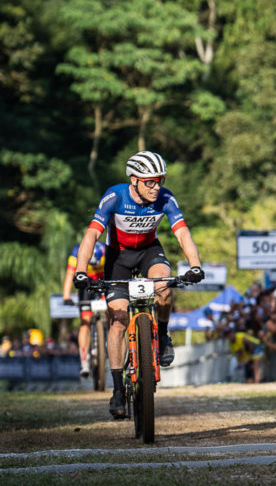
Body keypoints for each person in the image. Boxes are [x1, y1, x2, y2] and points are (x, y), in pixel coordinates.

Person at [72, 151, 204, 418]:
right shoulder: (115, 196)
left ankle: (163, 336)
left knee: (164, 288)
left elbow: (182, 233)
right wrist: (81, 271)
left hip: (148, 252)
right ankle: (118, 389)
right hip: (117, 257)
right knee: (118, 319)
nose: (157, 187)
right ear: (134, 180)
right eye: (150, 182)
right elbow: (91, 236)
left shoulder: (165, 198)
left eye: (160, 181)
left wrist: (195, 265)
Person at [61, 240, 106, 377]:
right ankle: (84, 360)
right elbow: (70, 274)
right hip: (85, 284)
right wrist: (66, 296)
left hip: (101, 281)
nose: (95, 265)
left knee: (112, 311)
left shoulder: (105, 250)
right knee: (85, 322)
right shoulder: (76, 252)